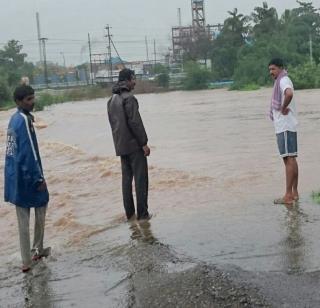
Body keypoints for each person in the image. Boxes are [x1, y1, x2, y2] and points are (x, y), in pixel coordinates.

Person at [4, 85, 49, 272]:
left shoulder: (13, 120)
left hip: (14, 176)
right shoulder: (23, 121)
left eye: (33, 98)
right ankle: (36, 250)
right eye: (28, 99)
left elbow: (12, 152)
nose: (32, 102)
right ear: (19, 102)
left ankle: (26, 261)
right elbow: (29, 153)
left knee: (22, 218)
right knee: (42, 203)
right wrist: (38, 179)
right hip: (28, 176)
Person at [107, 68, 151, 221]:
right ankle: (143, 216)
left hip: (121, 146)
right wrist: (144, 143)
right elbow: (135, 122)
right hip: (134, 146)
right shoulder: (129, 99)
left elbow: (114, 125)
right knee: (140, 180)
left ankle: (130, 215)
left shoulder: (111, 100)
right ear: (127, 80)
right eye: (134, 79)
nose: (135, 82)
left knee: (126, 181)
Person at [268, 58, 299, 205]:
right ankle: (294, 192)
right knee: (291, 158)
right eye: (269, 70)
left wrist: (283, 107)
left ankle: (288, 195)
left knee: (288, 159)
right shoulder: (282, 80)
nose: (271, 72)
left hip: (285, 126)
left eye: (273, 69)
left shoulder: (283, 80)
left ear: (280, 68)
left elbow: (289, 94)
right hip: (287, 125)